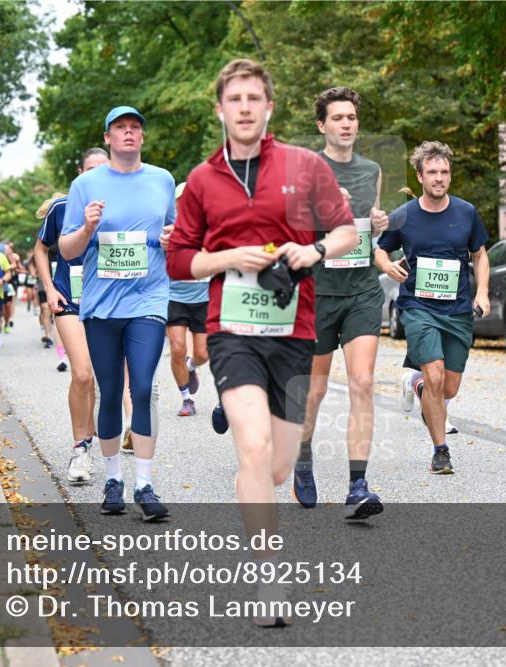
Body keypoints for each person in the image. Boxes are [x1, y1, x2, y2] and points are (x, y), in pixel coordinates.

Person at [167, 59, 357, 627]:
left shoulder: (303, 166)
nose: (245, 107)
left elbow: (346, 230)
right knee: (251, 449)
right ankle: (266, 578)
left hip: (294, 331)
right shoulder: (203, 181)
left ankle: (257, 485)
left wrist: (314, 252)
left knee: (275, 465)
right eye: (235, 99)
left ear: (268, 107)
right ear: (220, 109)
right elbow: (180, 257)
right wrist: (229, 258)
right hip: (231, 333)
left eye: (255, 98)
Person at [59, 107, 174, 521]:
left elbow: (176, 236)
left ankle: (144, 483)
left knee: (141, 387)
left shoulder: (162, 181)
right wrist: (87, 229)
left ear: (142, 136)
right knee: (109, 393)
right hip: (102, 306)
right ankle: (113, 479)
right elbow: (67, 250)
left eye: (135, 128)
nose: (129, 133)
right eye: (121, 128)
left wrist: (171, 239)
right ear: (108, 137)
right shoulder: (85, 185)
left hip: (149, 301)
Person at [290, 86, 388, 518]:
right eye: (338, 118)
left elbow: (370, 225)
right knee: (314, 390)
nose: (347, 124)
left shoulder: (372, 170)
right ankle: (303, 452)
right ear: (322, 125)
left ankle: (358, 485)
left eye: (352, 117)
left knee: (363, 383)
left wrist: (380, 225)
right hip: (318, 292)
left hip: (363, 289)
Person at [375, 140, 490, 475]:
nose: (439, 178)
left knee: (448, 387)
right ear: (420, 176)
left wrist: (482, 293)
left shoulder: (466, 213)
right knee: (436, 374)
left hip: (457, 310)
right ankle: (441, 450)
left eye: (444, 172)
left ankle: (418, 385)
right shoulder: (404, 216)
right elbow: (381, 249)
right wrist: (385, 266)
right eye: (432, 172)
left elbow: (480, 255)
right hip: (417, 307)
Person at [34, 147, 109, 485]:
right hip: (70, 299)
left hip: (110, 301)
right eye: (90, 170)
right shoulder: (62, 208)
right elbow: (41, 248)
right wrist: (49, 289)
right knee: (81, 374)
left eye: (102, 170)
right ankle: (80, 450)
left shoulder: (124, 207)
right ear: (80, 173)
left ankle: (98, 441)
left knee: (103, 380)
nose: (95, 176)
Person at [160, 182, 210, 418]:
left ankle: (190, 368)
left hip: (203, 295)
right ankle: (186, 399)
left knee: (203, 354)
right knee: (178, 348)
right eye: (182, 198)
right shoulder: (168, 228)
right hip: (175, 295)